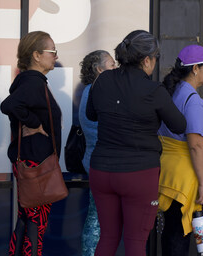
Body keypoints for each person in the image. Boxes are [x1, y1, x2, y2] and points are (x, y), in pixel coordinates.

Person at [86, 30, 187, 256]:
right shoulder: (154, 90)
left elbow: (91, 114)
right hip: (138, 174)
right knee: (135, 242)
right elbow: (179, 125)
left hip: (102, 171)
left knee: (108, 237)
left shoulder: (103, 80)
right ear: (146, 60)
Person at [158, 45, 203, 256]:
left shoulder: (175, 92)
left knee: (172, 229)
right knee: (181, 232)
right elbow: (196, 144)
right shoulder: (192, 100)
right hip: (187, 177)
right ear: (196, 68)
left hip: (170, 174)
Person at [0, 31, 61, 256]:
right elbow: (9, 105)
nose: (56, 56)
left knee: (27, 220)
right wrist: (35, 123)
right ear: (36, 55)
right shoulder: (33, 83)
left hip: (33, 162)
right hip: (37, 165)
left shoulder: (30, 82)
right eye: (52, 51)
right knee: (36, 223)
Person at [78, 50, 116, 256]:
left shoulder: (88, 91)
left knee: (97, 217)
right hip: (102, 163)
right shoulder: (100, 92)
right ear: (99, 69)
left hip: (94, 162)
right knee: (97, 219)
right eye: (111, 65)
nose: (116, 68)